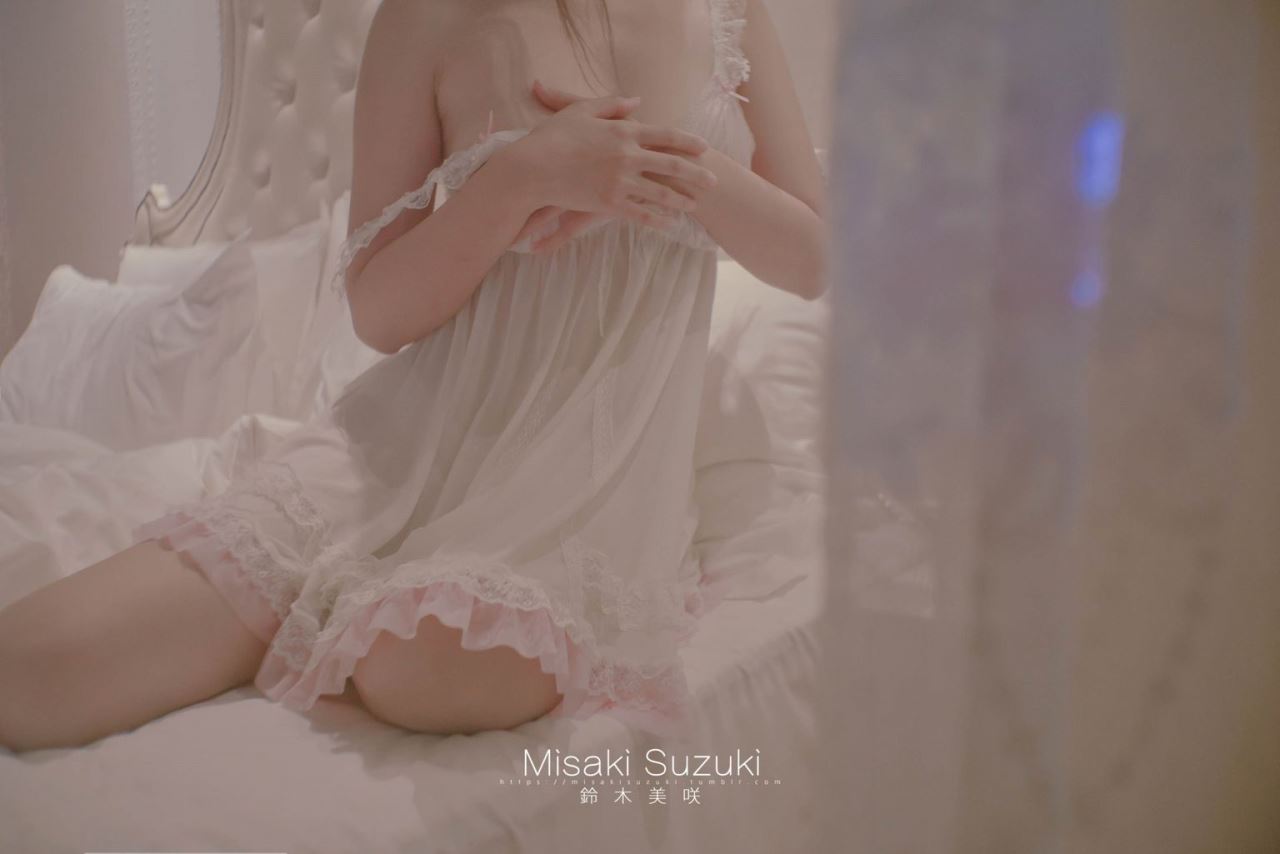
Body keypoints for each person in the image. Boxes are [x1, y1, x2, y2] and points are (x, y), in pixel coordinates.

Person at [0, 0, 827, 753]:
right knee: (30, 670)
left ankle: (334, 617)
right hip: (393, 458)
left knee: (425, 666)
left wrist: (661, 167)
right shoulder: (424, 17)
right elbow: (379, 312)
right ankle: (317, 606)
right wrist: (521, 178)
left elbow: (814, 258)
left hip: (589, 493)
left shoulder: (725, 11)